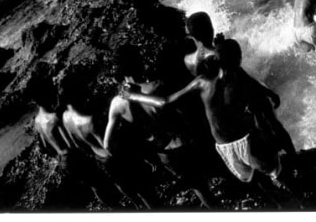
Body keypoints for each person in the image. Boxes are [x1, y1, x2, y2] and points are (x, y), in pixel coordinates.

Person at [123, 39, 298, 206]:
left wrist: (133, 95)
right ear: (238, 59)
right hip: (246, 140)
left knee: (257, 179)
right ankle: (300, 201)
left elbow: (164, 101)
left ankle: (280, 202)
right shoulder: (239, 79)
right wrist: (269, 94)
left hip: (224, 146)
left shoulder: (202, 82)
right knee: (277, 174)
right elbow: (255, 97)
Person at [103, 45, 216, 208]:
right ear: (138, 63)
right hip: (187, 142)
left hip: (166, 153)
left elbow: (107, 145)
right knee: (210, 176)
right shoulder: (157, 86)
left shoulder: (117, 103)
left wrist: (145, 155)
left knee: (199, 187)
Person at [185, 13, 298, 165]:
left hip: (216, 111)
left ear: (192, 35)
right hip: (234, 97)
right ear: (210, 29)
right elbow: (238, 73)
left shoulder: (188, 60)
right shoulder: (216, 54)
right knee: (269, 118)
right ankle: (293, 157)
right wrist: (268, 91)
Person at [60, 70, 157, 210]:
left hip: (100, 159)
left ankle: (138, 206)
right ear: (77, 93)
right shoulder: (91, 119)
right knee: (144, 191)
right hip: (116, 157)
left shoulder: (66, 117)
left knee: (123, 186)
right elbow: (109, 146)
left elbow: (78, 144)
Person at [27, 68, 123, 209]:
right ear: (45, 94)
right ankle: (117, 207)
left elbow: (45, 146)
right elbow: (73, 143)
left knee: (94, 186)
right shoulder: (55, 118)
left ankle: (112, 208)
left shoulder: (37, 121)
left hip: (62, 160)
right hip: (73, 157)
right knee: (100, 182)